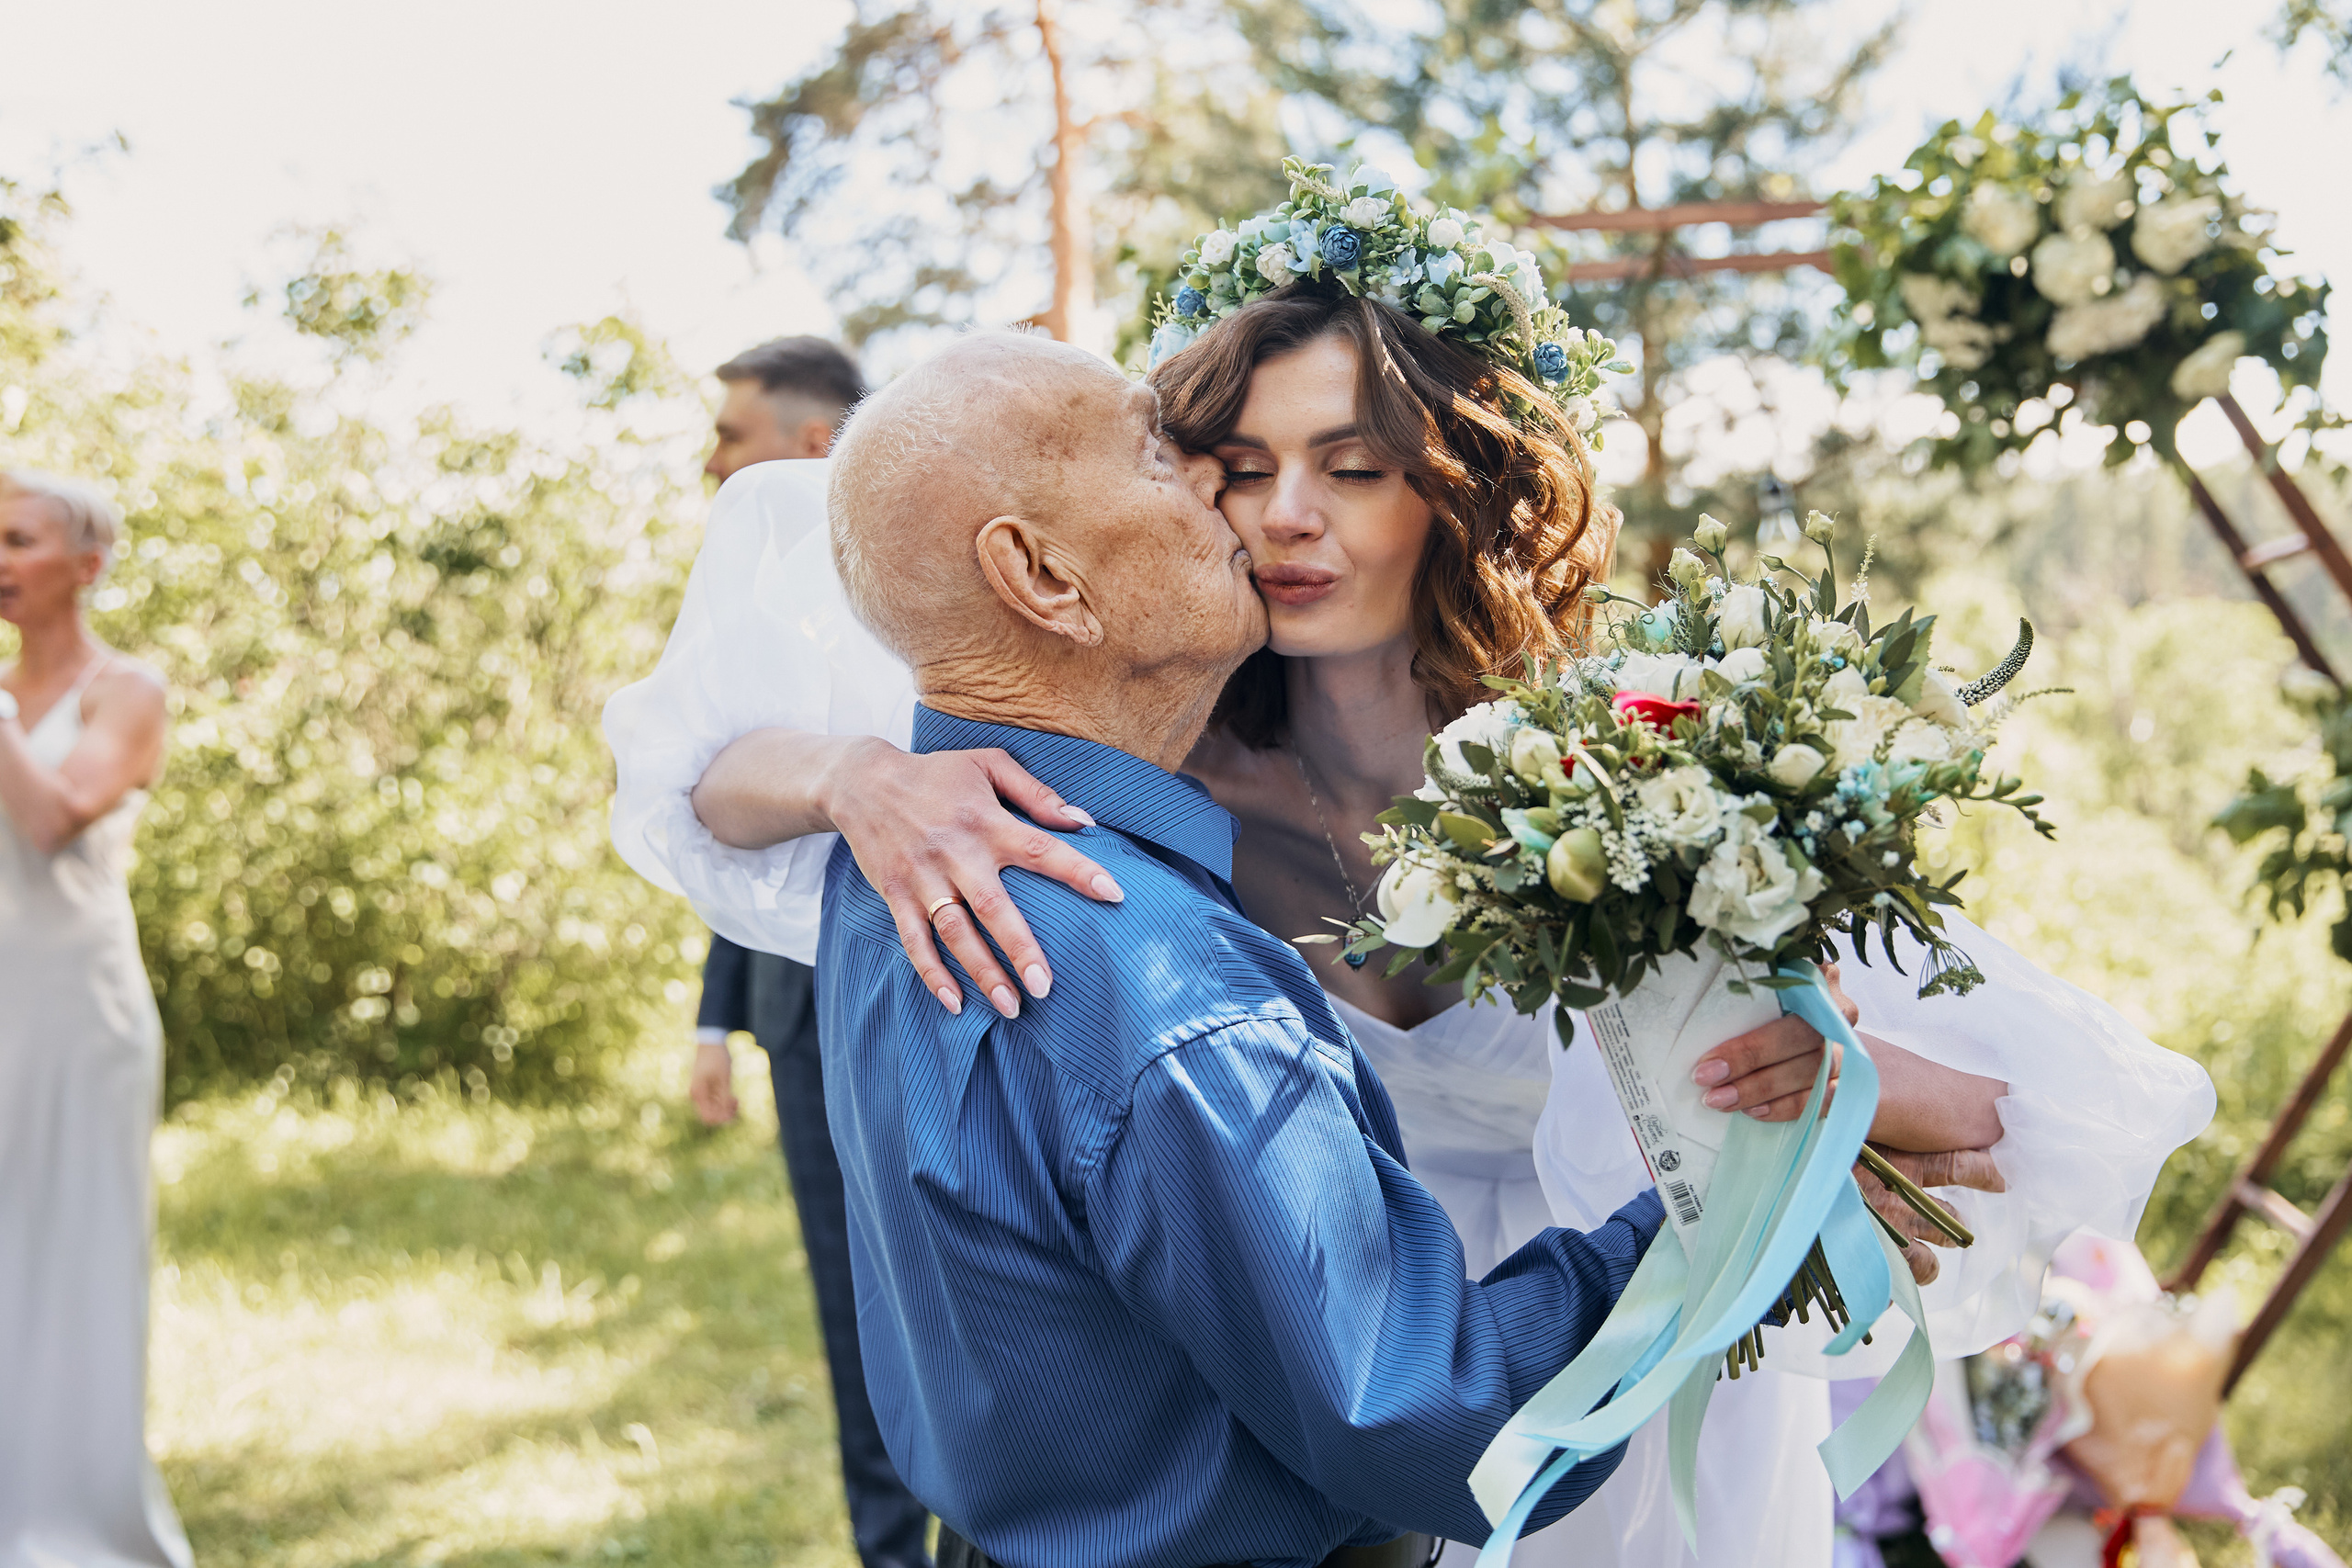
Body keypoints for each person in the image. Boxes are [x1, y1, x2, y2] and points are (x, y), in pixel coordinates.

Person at [606, 180, 2212, 1562]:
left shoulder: (1633, 765)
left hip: (1592, 1410)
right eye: (1224, 459)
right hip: (1388, 1388)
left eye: (1353, 465)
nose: (1282, 513)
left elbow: (1977, 1106)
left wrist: (1816, 1096)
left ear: (1455, 485)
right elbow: (695, 764)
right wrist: (859, 777)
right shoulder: (1037, 806)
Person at [812, 328, 1690, 1566]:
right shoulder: (1168, 987)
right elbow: (1441, 1422)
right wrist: (1719, 1208)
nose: (1228, 501)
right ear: (1044, 575)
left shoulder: (890, 852)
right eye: (1158, 456)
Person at [686, 336, 931, 1568]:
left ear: (814, 443)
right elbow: (712, 816)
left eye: (731, 431)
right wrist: (709, 1017)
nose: (711, 455)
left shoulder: (935, 581)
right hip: (797, 1011)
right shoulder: (744, 597)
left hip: (945, 997)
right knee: (854, 1318)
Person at [0, 469, 190, 1568]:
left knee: (73, 1248)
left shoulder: (129, 693)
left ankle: (76, 1523)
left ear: (87, 563)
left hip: (78, 1014)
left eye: (19, 538)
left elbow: (51, 819)